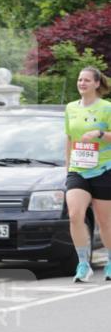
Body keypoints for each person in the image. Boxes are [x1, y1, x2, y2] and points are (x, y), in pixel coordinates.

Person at [64, 66, 111, 283]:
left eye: (86, 80)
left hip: (103, 169)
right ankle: (83, 263)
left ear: (96, 84)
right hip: (78, 170)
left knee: (104, 221)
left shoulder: (106, 108)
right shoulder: (71, 108)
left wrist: (100, 134)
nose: (81, 83)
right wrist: (68, 170)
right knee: (75, 215)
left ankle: (110, 261)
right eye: (79, 79)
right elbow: (69, 140)